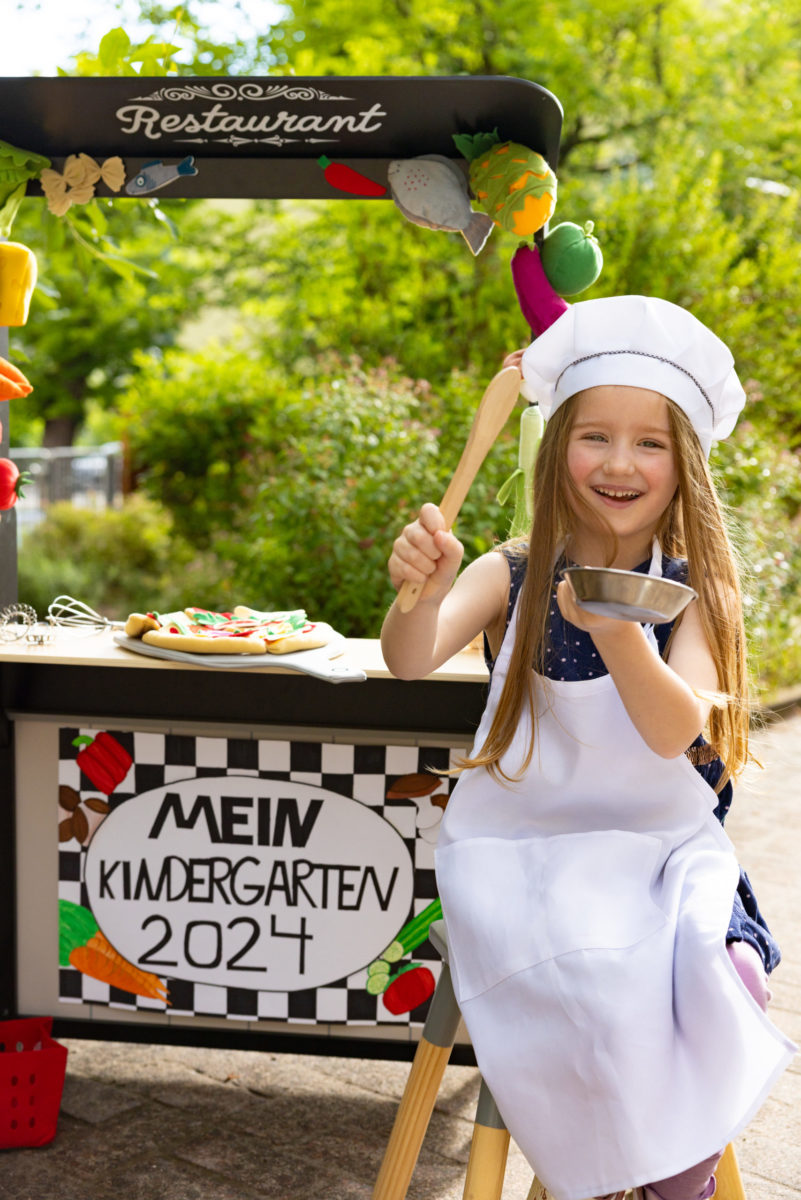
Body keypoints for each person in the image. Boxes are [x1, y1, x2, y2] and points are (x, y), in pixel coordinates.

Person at [381, 296, 796, 1200]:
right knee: (598, 975)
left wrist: (616, 632)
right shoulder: (513, 573)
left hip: (660, 857)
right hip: (523, 858)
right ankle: (619, 1176)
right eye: (593, 436)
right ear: (556, 448)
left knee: (727, 973)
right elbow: (409, 659)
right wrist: (420, 591)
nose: (617, 462)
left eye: (648, 443)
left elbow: (675, 730)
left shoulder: (698, 590)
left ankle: (662, 1181)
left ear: (684, 465)